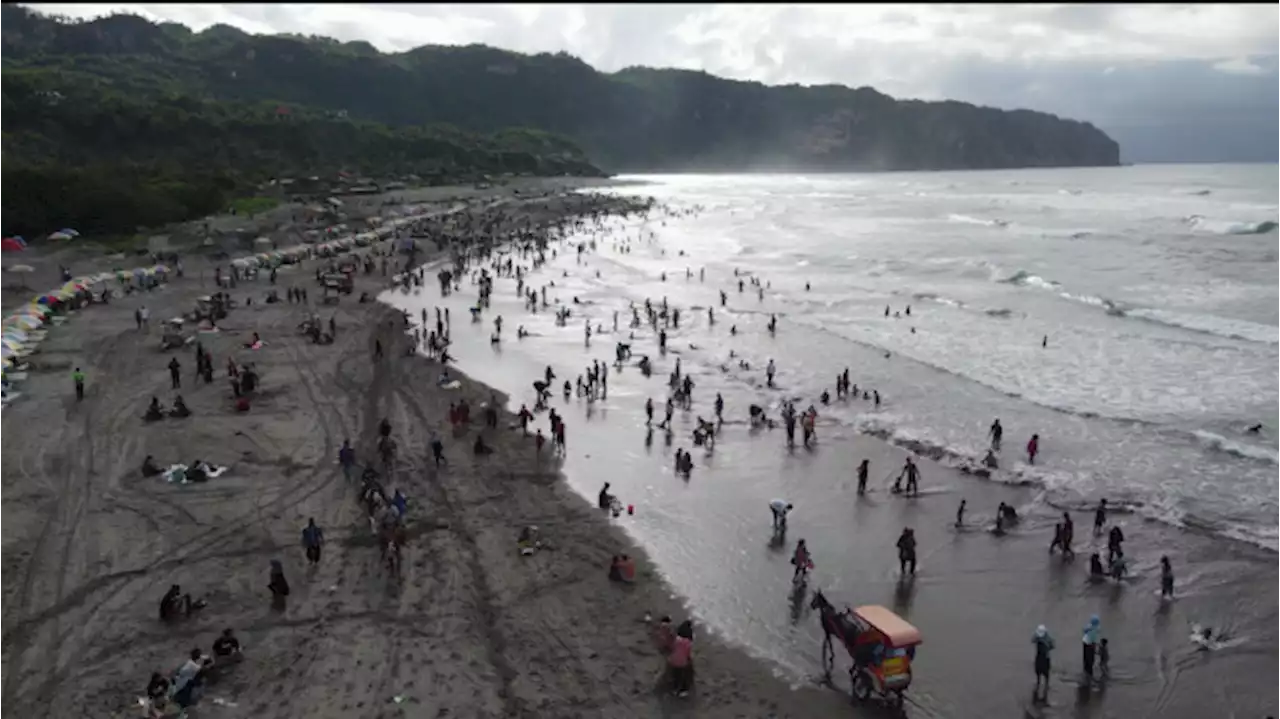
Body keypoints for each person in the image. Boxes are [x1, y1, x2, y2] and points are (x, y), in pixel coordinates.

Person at [1032, 624, 1054, 700]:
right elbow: (1032, 640)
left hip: (1045, 657)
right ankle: (1038, 682)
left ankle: (1046, 684)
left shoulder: (1048, 638)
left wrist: (1045, 643)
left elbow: (1052, 646)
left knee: (1046, 672)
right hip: (1039, 656)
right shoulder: (1037, 636)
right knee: (1038, 670)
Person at [1082, 615, 1101, 679]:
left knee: (1086, 659)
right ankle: (1089, 674)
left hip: (1085, 642)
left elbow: (1084, 630)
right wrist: (1095, 647)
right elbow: (1092, 639)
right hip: (1089, 644)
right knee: (1090, 659)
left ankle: (1086, 670)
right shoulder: (1093, 629)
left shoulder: (1089, 626)